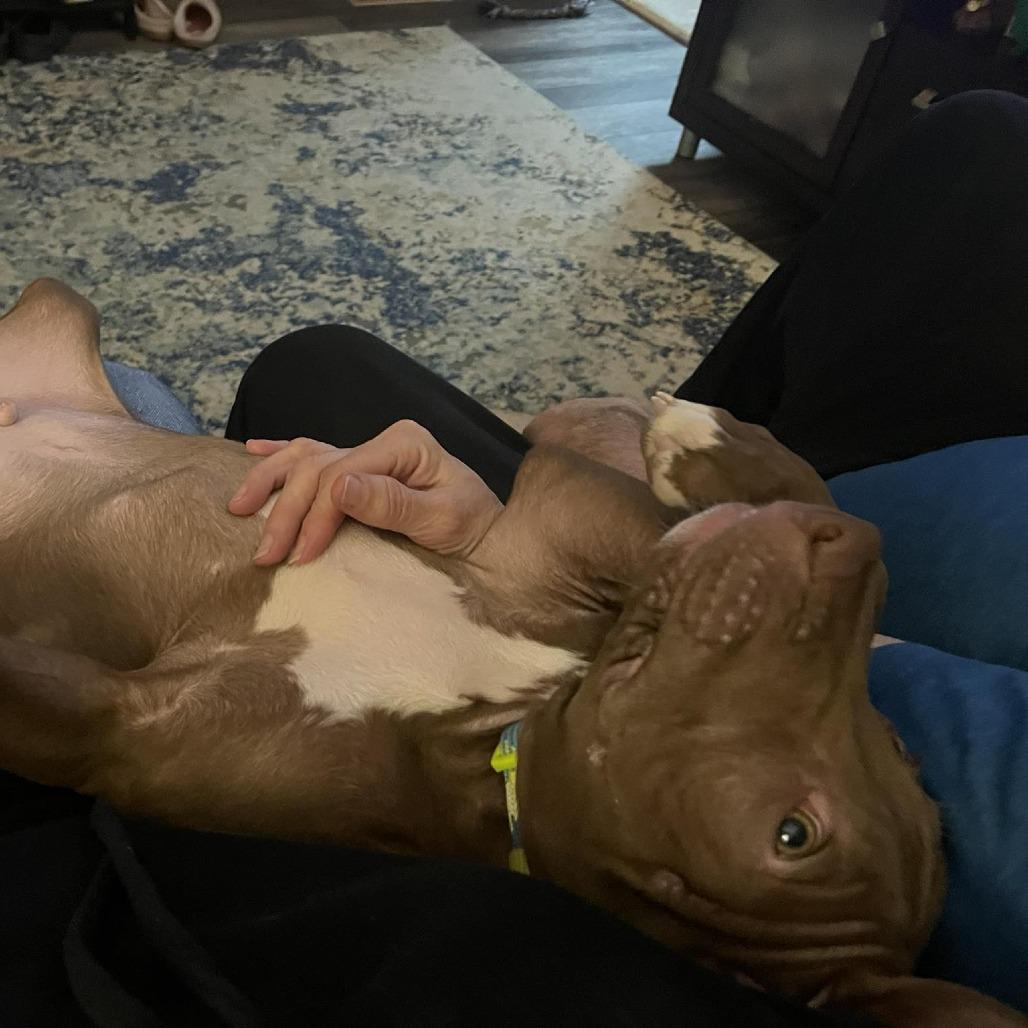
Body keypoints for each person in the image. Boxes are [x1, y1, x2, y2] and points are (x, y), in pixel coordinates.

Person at [2, 90, 1026, 1026]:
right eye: (888, 744)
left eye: (793, 829)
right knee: (978, 142)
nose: (842, 552)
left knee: (284, 369)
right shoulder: (585, 680)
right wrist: (509, 530)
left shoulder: (362, 817)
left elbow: (90, 728)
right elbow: (557, 492)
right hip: (96, 420)